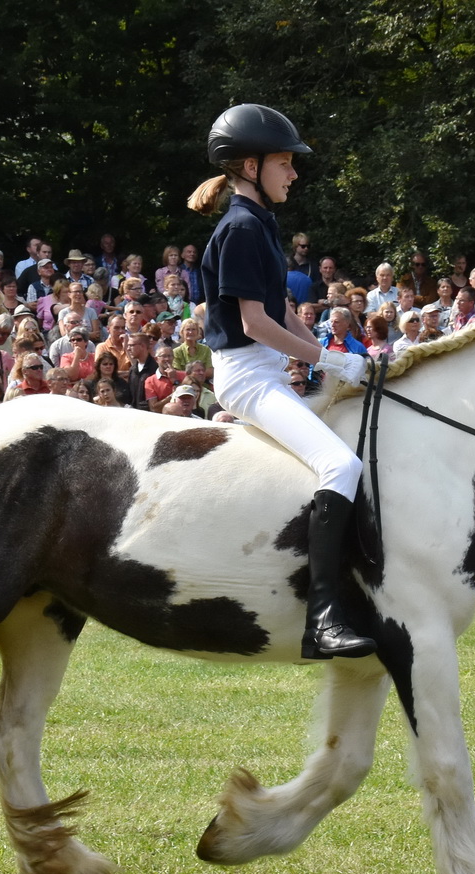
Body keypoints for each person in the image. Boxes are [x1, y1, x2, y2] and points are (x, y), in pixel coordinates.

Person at [190, 104, 374, 659]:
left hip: (266, 368)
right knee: (341, 465)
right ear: (250, 165)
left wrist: (331, 356)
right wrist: (327, 358)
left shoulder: (260, 224)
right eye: (285, 163)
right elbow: (253, 324)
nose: (293, 173)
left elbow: (284, 312)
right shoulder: (243, 226)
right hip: (248, 375)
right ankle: (322, 618)